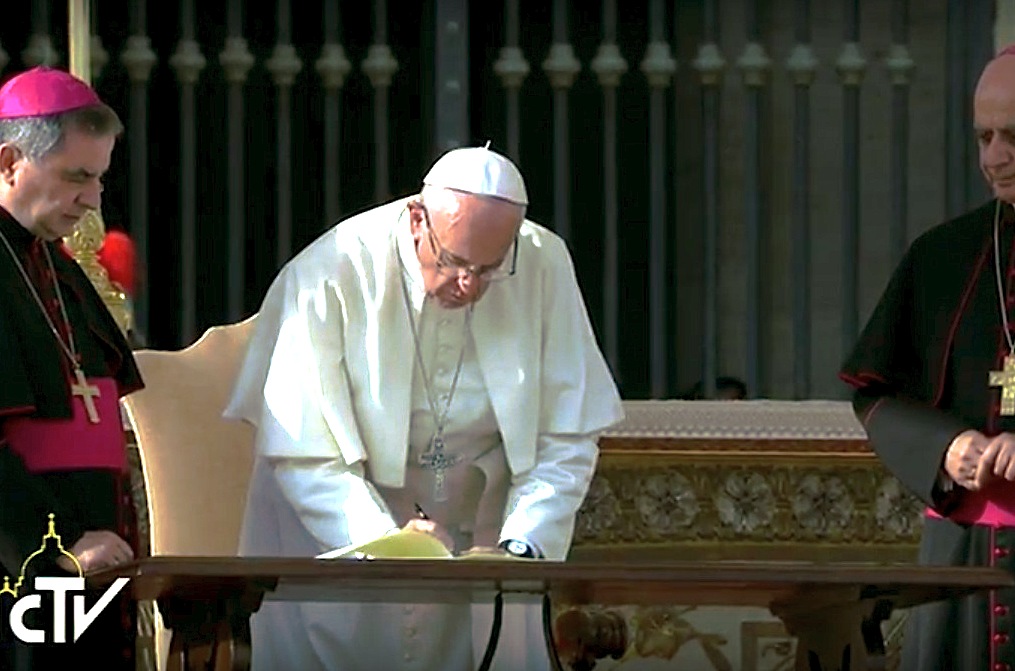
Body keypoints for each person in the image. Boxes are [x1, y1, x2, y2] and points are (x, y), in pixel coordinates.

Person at [224, 144, 624, 670]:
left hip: (478, 532)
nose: (469, 285)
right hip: (339, 522)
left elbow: (567, 437)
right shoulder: (333, 268)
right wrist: (382, 540)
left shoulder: (543, 262)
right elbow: (305, 452)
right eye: (455, 262)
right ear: (417, 219)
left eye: (489, 268)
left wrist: (523, 543)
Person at [840, 45, 1015, 671]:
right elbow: (876, 394)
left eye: (1013, 136)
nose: (994, 157)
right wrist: (945, 446)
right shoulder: (944, 255)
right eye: (984, 137)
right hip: (961, 559)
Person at [0, 66, 143, 669]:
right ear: (10, 162)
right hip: (24, 569)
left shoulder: (60, 271)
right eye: (77, 177)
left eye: (100, 178)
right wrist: (51, 545)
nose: (93, 200)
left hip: (93, 565)